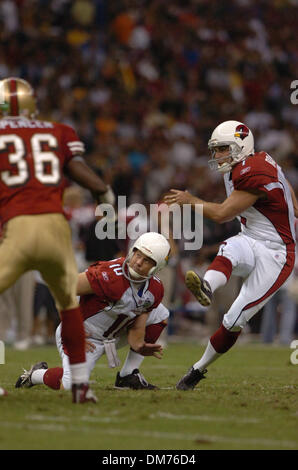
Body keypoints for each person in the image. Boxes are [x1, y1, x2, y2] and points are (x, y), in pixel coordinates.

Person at [0, 77, 115, 403]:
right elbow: (77, 167)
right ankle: (80, 386)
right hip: (55, 228)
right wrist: (103, 191)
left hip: (18, 228)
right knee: (69, 308)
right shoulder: (58, 131)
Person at [164, 120, 298, 390]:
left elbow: (223, 213)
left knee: (234, 319)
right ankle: (206, 287)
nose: (217, 156)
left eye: (223, 149)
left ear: (241, 147)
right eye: (216, 150)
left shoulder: (254, 170)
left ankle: (198, 369)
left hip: (277, 254)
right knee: (229, 248)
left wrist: (191, 201)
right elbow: (291, 197)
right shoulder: (248, 164)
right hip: (252, 239)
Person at [15, 232, 171, 391]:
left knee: (161, 314)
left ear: (156, 267)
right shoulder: (109, 275)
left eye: (146, 260)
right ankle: (36, 375)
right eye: (138, 255)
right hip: (85, 336)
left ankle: (128, 375)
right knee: (71, 386)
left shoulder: (155, 290)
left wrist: (139, 346)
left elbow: (138, 326)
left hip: (113, 334)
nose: (138, 262)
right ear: (132, 251)